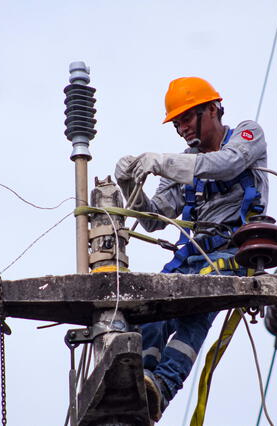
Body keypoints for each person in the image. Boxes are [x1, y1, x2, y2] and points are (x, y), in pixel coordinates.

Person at [114, 76, 268, 422]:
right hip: (190, 255)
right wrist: (129, 187)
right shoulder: (184, 162)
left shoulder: (247, 134)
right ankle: (145, 384)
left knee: (193, 309)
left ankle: (164, 385)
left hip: (231, 254)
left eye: (186, 118)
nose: (181, 128)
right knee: (151, 309)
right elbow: (155, 219)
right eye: (177, 122)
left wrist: (160, 162)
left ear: (212, 109)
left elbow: (227, 164)